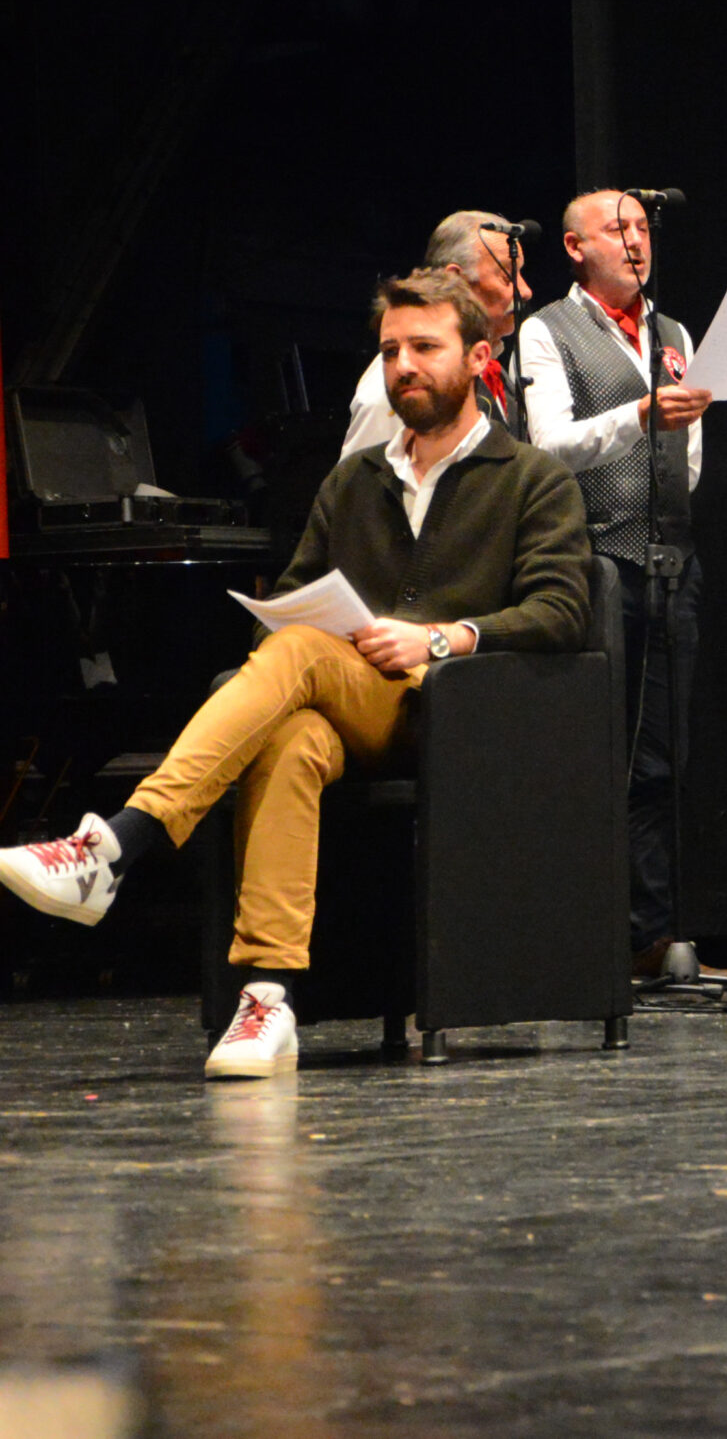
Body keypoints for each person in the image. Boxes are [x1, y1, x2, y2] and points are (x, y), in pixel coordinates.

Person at [1, 270, 589, 1078]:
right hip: (349, 702)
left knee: (302, 656)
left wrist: (440, 639)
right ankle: (268, 999)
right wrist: (301, 625)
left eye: (425, 347)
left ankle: (116, 845)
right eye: (391, 351)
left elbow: (563, 611)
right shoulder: (353, 479)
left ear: (479, 358)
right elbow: (285, 605)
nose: (404, 366)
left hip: (458, 711)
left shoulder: (531, 478)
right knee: (292, 736)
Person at [516, 190, 708, 976]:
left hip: (674, 566)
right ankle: (589, 929)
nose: (636, 241)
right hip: (598, 564)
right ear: (574, 246)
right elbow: (547, 447)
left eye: (641, 228)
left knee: (664, 759)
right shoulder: (546, 330)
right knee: (598, 752)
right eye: (616, 229)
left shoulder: (674, 332)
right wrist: (638, 418)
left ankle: (650, 931)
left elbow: (691, 451)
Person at [341, 211, 537, 454]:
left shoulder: (493, 371)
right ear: (456, 280)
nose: (525, 290)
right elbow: (364, 475)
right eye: (507, 275)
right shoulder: (399, 383)